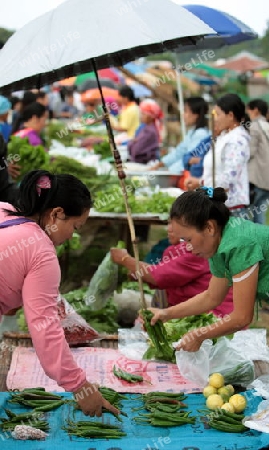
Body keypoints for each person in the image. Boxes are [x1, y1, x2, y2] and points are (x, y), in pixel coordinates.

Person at [149, 187, 269, 401]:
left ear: (209, 227)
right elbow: (211, 297)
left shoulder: (239, 244)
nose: (186, 248)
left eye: (187, 239)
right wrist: (167, 313)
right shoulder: (219, 246)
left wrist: (200, 334)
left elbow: (242, 317)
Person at [0, 169, 119, 417]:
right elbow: (44, 327)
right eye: (75, 227)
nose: (72, 236)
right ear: (56, 213)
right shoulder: (41, 252)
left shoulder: (4, 211)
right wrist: (80, 387)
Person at [111, 223, 233, 317]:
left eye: (175, 225)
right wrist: (131, 275)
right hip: (191, 311)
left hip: (211, 317)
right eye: (169, 223)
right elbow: (164, 271)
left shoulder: (197, 250)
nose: (169, 229)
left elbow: (159, 275)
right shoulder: (182, 249)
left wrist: (125, 259)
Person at [186, 94, 251, 216]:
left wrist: (201, 184)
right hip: (218, 205)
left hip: (232, 208)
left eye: (218, 114)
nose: (215, 119)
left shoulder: (237, 140)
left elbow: (228, 179)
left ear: (230, 116)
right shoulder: (224, 137)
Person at [150, 97, 210, 173]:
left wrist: (170, 170)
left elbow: (187, 159)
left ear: (195, 115)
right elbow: (178, 152)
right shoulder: (192, 132)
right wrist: (160, 164)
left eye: (186, 111)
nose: (183, 115)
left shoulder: (201, 134)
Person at [247, 99, 269, 224]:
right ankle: (263, 243)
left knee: (247, 216)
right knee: (260, 215)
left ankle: (250, 243)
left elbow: (249, 153)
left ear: (255, 110)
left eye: (248, 110)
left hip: (256, 180)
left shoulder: (255, 127)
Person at [127, 100, 163, 164]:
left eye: (143, 114)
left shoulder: (149, 131)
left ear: (151, 116)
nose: (141, 116)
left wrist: (132, 142)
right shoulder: (146, 127)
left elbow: (135, 150)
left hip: (143, 163)